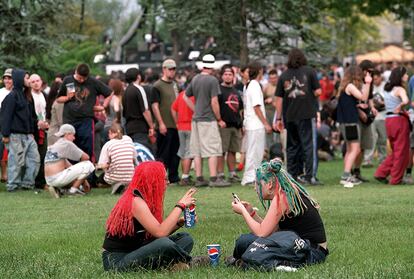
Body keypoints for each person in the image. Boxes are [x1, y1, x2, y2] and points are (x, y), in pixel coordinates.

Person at [228, 158, 328, 269]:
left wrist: (242, 211)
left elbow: (261, 233)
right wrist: (251, 213)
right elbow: (272, 231)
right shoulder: (283, 194)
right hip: (294, 244)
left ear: (269, 184)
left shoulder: (282, 197)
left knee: (251, 247)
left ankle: (280, 266)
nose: (255, 188)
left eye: (258, 184)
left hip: (311, 252)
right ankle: (248, 260)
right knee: (244, 241)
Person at [102, 161, 197, 271]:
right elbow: (160, 233)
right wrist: (180, 205)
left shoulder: (144, 198)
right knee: (164, 244)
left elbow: (154, 235)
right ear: (152, 181)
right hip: (116, 262)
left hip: (136, 250)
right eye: (164, 179)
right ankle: (191, 262)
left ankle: (170, 264)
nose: (168, 182)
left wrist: (178, 224)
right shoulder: (135, 201)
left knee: (185, 238)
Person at [274, 48, 322, 185]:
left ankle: (291, 175)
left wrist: (278, 118)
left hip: (290, 115)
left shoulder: (284, 75)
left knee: (292, 146)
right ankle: (309, 176)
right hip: (307, 114)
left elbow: (279, 98)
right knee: (309, 145)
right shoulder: (310, 71)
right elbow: (318, 91)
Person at [183, 54, 230, 187]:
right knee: (213, 149)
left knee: (197, 151)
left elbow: (185, 97)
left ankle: (199, 178)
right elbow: (214, 102)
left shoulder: (195, 78)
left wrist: (196, 109)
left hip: (196, 120)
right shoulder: (212, 80)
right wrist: (219, 119)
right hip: (208, 119)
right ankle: (214, 179)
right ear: (212, 65)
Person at [57, 63, 112, 163]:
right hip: (69, 119)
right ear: (75, 72)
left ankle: (88, 173)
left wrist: (104, 105)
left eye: (84, 78)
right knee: (70, 146)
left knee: (87, 146)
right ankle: (72, 172)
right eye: (79, 77)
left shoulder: (93, 82)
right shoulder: (68, 80)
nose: (81, 80)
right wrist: (67, 97)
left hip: (86, 120)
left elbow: (109, 93)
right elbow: (59, 99)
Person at [1, 69, 40, 192]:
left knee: (34, 159)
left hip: (28, 135)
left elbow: (33, 117)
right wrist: (6, 134)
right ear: (19, 79)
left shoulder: (28, 97)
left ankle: (27, 184)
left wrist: (33, 132)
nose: (29, 81)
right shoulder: (11, 97)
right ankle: (13, 185)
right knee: (16, 162)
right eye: (26, 78)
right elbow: (5, 116)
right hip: (15, 135)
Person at [374, 67, 410, 185]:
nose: (407, 76)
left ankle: (381, 172)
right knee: (401, 151)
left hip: (388, 120)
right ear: (400, 76)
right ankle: (396, 179)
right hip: (399, 120)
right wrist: (401, 106)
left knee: (395, 150)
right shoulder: (400, 89)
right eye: (405, 74)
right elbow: (405, 100)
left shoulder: (387, 89)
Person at [337, 66, 371, 187]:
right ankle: (346, 175)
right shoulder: (350, 86)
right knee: (355, 149)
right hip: (350, 122)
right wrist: (367, 83)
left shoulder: (344, 87)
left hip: (344, 122)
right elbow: (363, 98)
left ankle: (347, 174)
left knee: (350, 149)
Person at [241, 61, 272, 185]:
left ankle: (253, 176)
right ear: (259, 71)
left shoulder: (248, 85)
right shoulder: (254, 85)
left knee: (255, 151)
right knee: (254, 152)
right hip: (255, 124)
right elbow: (256, 107)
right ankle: (249, 177)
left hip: (251, 123)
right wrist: (266, 123)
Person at [44, 124, 95, 198]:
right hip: (57, 178)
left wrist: (83, 180)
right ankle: (73, 191)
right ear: (67, 134)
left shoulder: (55, 145)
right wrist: (84, 181)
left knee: (77, 183)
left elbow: (69, 166)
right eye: (73, 135)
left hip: (49, 180)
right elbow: (86, 157)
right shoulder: (67, 143)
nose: (74, 138)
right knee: (88, 164)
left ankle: (59, 189)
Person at [151, 59, 180, 184]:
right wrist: (160, 123)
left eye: (174, 69)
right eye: (170, 69)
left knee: (175, 152)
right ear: (164, 69)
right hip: (164, 125)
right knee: (163, 153)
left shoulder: (175, 85)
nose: (172, 71)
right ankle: (160, 177)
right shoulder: (157, 86)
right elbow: (155, 106)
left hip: (176, 124)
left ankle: (173, 176)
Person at [217, 65, 243, 183]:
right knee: (222, 151)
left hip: (236, 125)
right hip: (224, 126)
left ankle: (232, 173)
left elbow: (241, 109)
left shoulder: (236, 91)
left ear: (233, 76)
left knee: (233, 150)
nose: (228, 76)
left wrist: (242, 124)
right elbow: (215, 106)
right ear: (222, 76)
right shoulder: (218, 90)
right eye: (226, 74)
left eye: (230, 74)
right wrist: (219, 120)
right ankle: (220, 174)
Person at [97, 123, 137, 194]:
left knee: (100, 180)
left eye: (109, 133)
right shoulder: (128, 139)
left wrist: (97, 166)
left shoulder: (108, 144)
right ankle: (126, 186)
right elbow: (134, 158)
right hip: (131, 175)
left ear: (112, 133)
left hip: (114, 176)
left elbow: (102, 165)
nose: (108, 136)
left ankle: (117, 185)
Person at [123, 68, 155, 150]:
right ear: (138, 77)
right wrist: (151, 126)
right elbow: (145, 110)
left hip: (129, 127)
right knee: (143, 151)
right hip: (140, 127)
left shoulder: (126, 91)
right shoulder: (139, 89)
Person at [171, 82, 195, 186]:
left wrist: (176, 122)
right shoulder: (193, 96)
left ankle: (184, 175)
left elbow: (173, 108)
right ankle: (185, 176)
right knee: (188, 153)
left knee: (183, 152)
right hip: (191, 126)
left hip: (181, 127)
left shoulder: (181, 94)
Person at [30, 73, 49, 189]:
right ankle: (30, 181)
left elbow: (47, 111)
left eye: (38, 80)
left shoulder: (44, 95)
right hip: (33, 129)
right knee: (33, 157)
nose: (36, 83)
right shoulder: (28, 96)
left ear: (41, 81)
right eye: (33, 82)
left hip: (44, 129)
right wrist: (36, 123)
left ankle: (41, 181)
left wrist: (47, 122)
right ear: (30, 84)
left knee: (43, 156)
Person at [0, 68, 13, 182]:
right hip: (2, 125)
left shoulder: (18, 93)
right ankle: (3, 175)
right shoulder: (1, 92)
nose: (7, 80)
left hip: (14, 127)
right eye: (5, 78)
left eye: (9, 78)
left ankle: (8, 175)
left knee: (11, 153)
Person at [46, 81, 64, 146]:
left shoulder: (51, 101)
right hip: (57, 134)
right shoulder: (59, 103)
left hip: (52, 132)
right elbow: (61, 121)